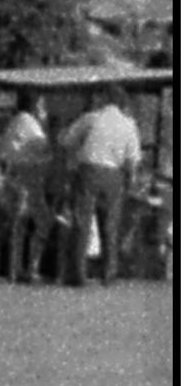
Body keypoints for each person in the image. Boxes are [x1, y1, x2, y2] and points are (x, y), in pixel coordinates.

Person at [60, 90, 144, 286]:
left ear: (104, 99)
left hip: (88, 171)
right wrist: (131, 181)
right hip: (114, 174)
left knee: (82, 223)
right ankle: (109, 274)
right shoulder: (128, 124)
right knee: (110, 225)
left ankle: (78, 274)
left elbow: (66, 140)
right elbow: (132, 159)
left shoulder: (90, 118)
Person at [0, 98, 51, 285]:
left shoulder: (12, 125)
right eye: (41, 107)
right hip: (30, 181)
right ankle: (32, 268)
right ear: (35, 106)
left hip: (13, 179)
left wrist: (0, 177)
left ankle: (15, 269)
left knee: (17, 225)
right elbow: (45, 153)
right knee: (42, 224)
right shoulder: (32, 127)